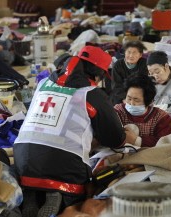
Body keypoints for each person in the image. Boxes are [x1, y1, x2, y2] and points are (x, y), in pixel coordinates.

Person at [13, 46, 130, 217]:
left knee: (42, 167)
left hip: (22, 158)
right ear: (97, 75)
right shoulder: (91, 93)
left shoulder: (43, 83)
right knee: (84, 193)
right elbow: (116, 139)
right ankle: (59, 196)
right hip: (64, 166)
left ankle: (33, 194)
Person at [114, 74, 171, 147]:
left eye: (137, 100)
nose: (131, 103)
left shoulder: (162, 118)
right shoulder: (117, 112)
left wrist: (137, 141)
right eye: (129, 98)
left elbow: (166, 144)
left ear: (149, 101)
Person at [110, 40, 148, 105]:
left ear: (140, 55)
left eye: (134, 53)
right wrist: (126, 99)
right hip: (121, 97)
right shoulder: (118, 65)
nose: (131, 55)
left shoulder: (145, 64)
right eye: (128, 52)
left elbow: (145, 84)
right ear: (124, 53)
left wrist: (136, 99)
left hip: (139, 96)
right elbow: (116, 86)